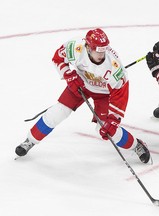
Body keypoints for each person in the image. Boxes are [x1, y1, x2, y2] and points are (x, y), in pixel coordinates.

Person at [15, 28, 150, 163]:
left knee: (107, 129)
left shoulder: (114, 66)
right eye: (98, 50)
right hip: (81, 85)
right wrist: (68, 75)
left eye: (104, 50)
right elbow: (58, 58)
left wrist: (114, 119)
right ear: (88, 47)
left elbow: (120, 92)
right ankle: (30, 141)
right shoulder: (76, 47)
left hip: (105, 94)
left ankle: (136, 145)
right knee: (58, 112)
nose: (101, 54)